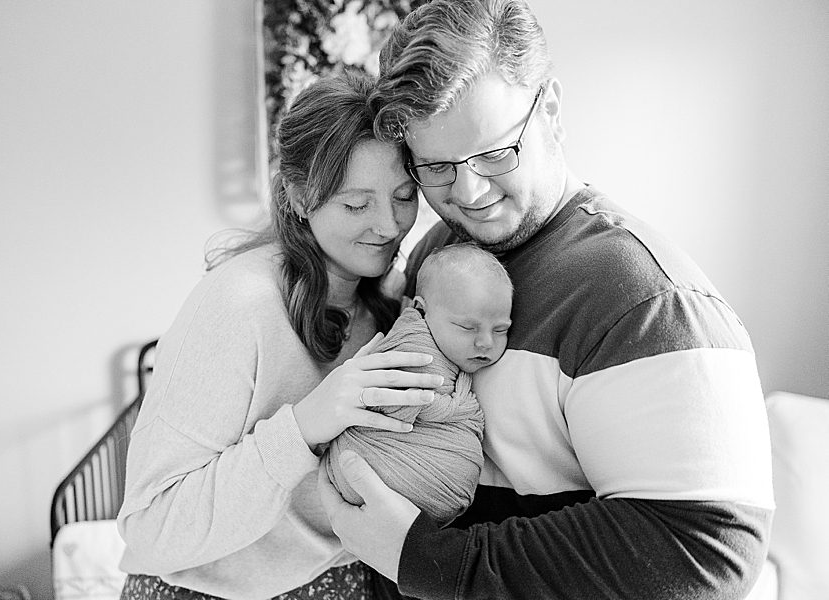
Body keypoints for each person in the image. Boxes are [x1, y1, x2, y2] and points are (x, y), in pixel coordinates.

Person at [317, 2, 775, 599]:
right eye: (436, 167)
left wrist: (432, 561)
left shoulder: (645, 298)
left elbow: (708, 552)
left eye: (493, 153)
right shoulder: (440, 251)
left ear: (551, 110)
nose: (469, 192)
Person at [115, 71, 446, 600]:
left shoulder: (385, 297)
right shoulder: (237, 306)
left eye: (405, 197)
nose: (389, 226)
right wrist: (303, 427)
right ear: (297, 195)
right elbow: (152, 530)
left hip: (340, 581)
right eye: (356, 204)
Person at [325, 243, 513, 524]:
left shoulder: (445, 341)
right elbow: (409, 401)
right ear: (421, 310)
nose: (486, 342)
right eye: (467, 327)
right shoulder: (415, 347)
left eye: (501, 329)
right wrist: (462, 409)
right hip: (379, 465)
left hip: (404, 487)